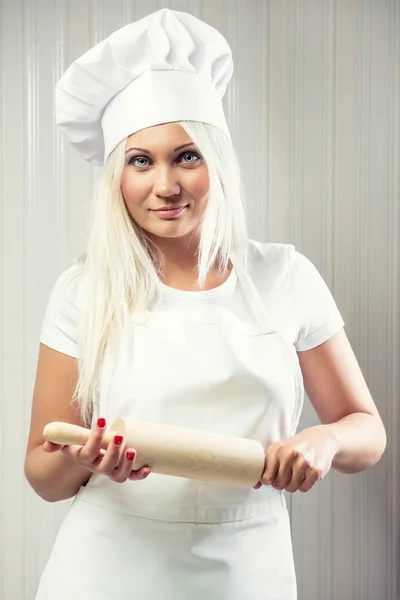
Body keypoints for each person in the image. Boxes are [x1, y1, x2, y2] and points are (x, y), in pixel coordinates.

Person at [24, 8, 386, 600]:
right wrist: (88, 460)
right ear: (117, 178)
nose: (165, 184)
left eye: (185, 156)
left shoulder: (284, 276)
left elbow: (366, 431)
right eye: (141, 161)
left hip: (249, 569)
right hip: (108, 567)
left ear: (216, 164)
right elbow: (42, 474)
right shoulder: (83, 290)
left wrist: (325, 441)